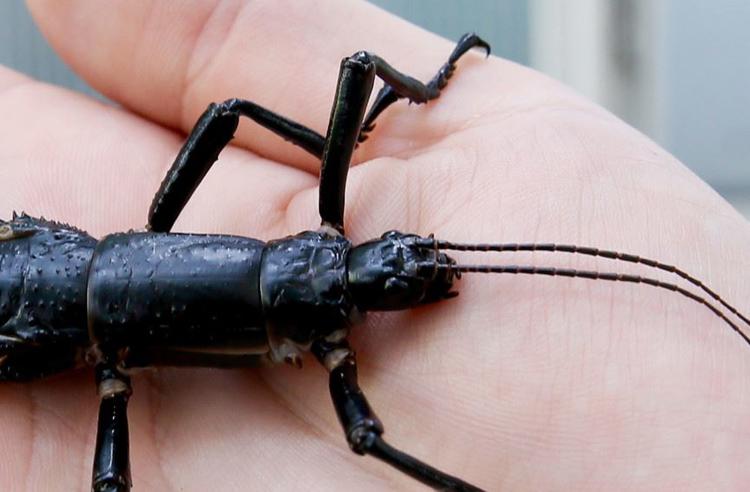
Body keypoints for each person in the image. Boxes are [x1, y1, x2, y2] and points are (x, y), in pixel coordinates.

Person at [0, 1, 747, 490]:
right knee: (252, 104)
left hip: (62, 270)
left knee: (243, 107)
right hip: (48, 310)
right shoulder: (327, 333)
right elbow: (369, 444)